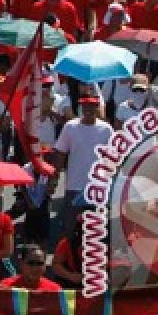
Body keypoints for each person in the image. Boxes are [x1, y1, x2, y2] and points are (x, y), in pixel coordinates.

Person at [53, 96, 112, 238]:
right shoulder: (70, 127)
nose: (88, 110)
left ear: (97, 108)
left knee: (96, 230)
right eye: (85, 107)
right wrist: (54, 178)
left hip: (97, 188)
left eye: (92, 107)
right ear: (80, 108)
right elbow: (61, 153)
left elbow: (111, 158)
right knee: (71, 228)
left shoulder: (106, 129)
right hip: (74, 186)